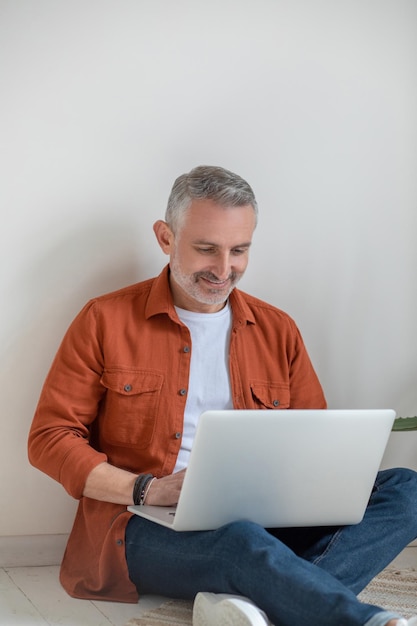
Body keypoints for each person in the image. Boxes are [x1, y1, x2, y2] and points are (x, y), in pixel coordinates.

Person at [28, 165, 417, 626]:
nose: (223, 268)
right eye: (206, 249)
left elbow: (314, 438)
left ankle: (257, 601)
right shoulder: (104, 320)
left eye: (239, 250)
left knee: (406, 488)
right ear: (165, 237)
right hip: (142, 524)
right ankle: (366, 621)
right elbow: (50, 438)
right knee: (241, 541)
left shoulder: (278, 330)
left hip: (267, 518)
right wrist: (146, 488)